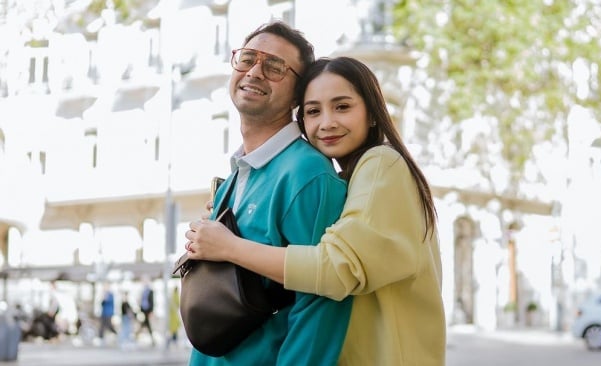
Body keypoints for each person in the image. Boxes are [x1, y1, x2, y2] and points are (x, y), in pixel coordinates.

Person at [186, 56, 446, 365]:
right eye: (313, 111)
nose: (327, 123)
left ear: (373, 114)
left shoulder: (381, 163)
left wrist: (230, 247)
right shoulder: (349, 179)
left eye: (342, 107)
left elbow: (338, 268)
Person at [184, 20, 352, 365]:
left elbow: (322, 302)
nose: (255, 72)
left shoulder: (308, 173)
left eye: (275, 67)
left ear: (296, 94)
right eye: (247, 59)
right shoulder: (237, 174)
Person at [136, 278, 154, 344]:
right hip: (143, 310)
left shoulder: (150, 291)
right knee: (145, 324)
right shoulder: (143, 291)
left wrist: (151, 311)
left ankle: (136, 335)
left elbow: (152, 301)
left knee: (145, 324)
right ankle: (137, 335)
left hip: (148, 310)